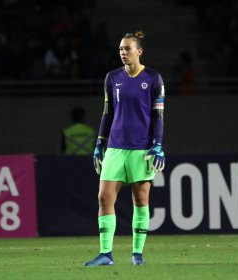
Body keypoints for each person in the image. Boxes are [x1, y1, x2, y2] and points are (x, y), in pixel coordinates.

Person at [84, 31, 166, 266]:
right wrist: (100, 143)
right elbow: (107, 113)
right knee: (103, 198)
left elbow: (158, 115)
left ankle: (137, 255)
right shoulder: (112, 77)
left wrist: (158, 144)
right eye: (120, 48)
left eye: (127, 48)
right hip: (115, 148)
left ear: (139, 51)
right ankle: (105, 254)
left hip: (141, 149)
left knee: (140, 201)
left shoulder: (153, 78)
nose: (123, 52)